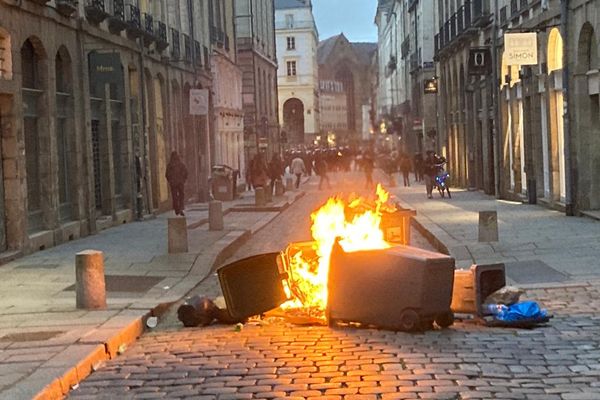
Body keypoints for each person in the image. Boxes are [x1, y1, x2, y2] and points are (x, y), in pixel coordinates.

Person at [165, 151, 188, 216]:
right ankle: (181, 208)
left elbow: (167, 174)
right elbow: (186, 172)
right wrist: (183, 180)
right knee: (181, 195)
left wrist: (170, 180)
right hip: (180, 183)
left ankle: (176, 209)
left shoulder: (170, 165)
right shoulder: (181, 164)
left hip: (173, 183)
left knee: (174, 196)